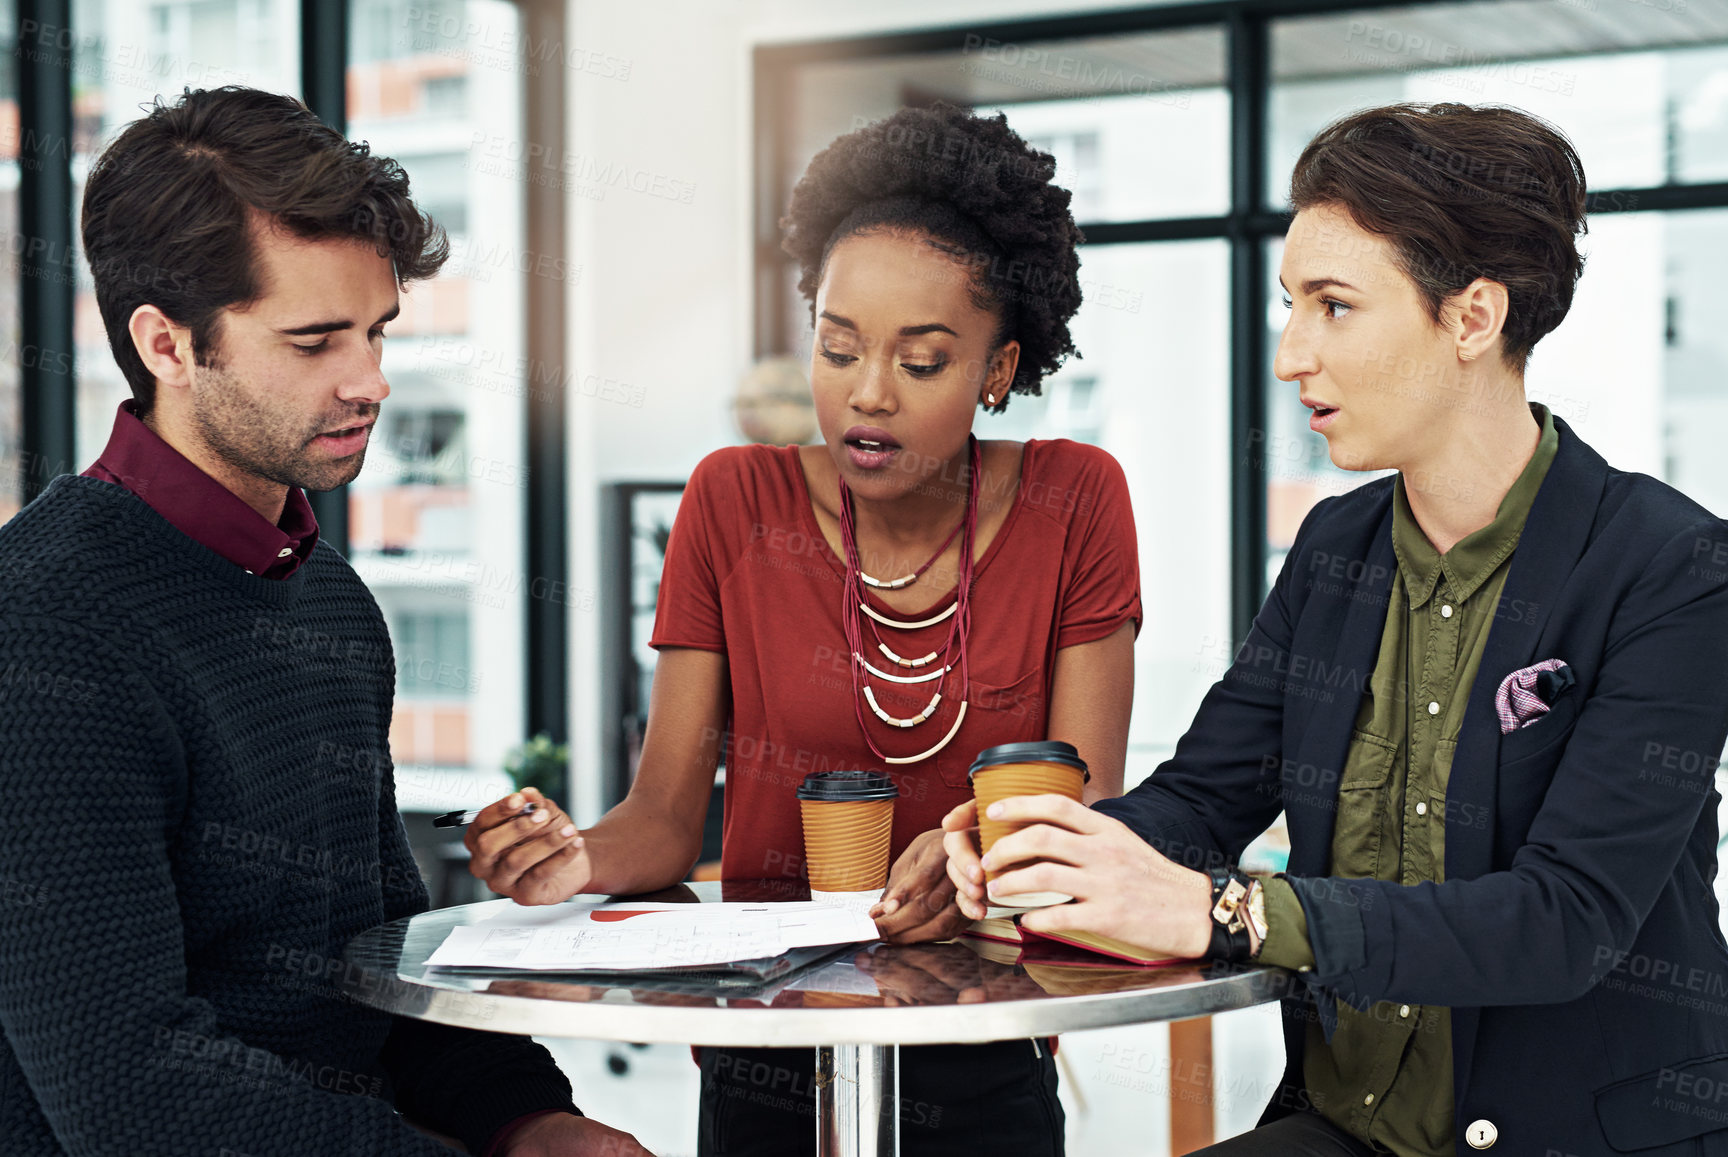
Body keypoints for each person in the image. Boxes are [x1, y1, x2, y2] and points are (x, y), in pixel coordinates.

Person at [944, 102, 1728, 1157]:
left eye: (1333, 306)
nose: (1290, 354)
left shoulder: (1670, 565)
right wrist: (1040, 853)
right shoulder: (1335, 547)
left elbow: (1566, 921)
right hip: (1347, 1129)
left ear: (1472, 318)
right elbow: (1203, 797)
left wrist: (1237, 913)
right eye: (1289, 305)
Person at [465, 104, 1141, 1155]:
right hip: (766, 1051)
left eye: (921, 362)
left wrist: (964, 851)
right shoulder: (733, 501)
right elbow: (662, 817)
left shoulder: (1076, 498)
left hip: (984, 1039)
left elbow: (1081, 808)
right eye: (837, 346)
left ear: (997, 372)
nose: (867, 393)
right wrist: (571, 861)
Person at [0, 87, 650, 1156]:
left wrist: (533, 1119)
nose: (373, 381)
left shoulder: (329, 598)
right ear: (166, 345)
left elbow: (372, 961)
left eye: (378, 331)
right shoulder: (45, 625)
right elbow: (131, 1093)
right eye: (315, 342)